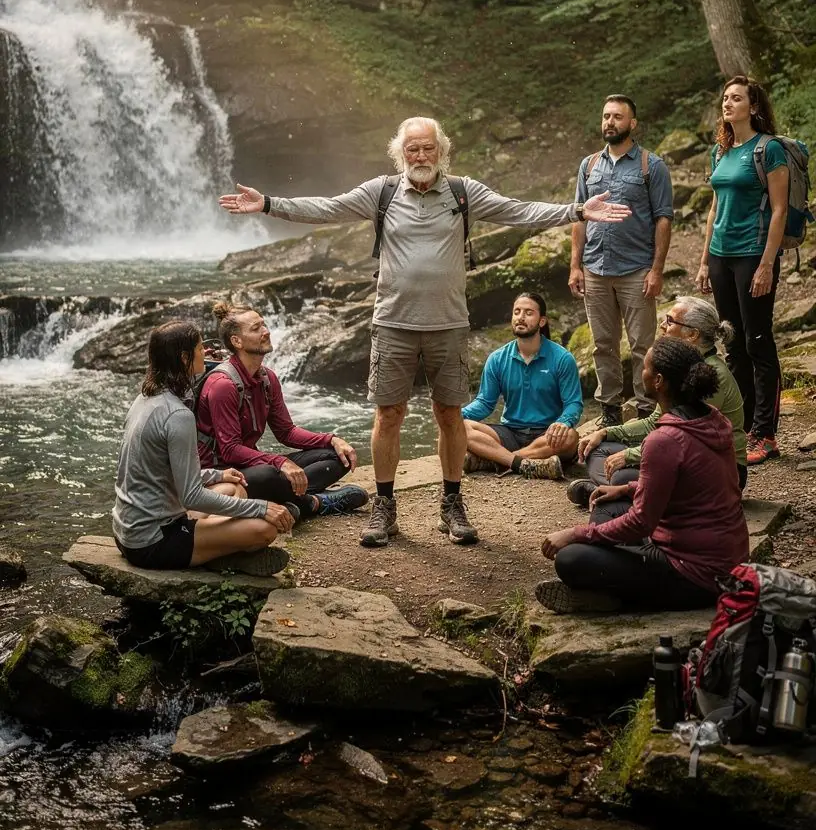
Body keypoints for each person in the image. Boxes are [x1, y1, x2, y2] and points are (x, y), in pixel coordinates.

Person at [219, 115, 630, 550]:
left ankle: (451, 503)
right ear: (400, 153)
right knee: (388, 416)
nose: (420, 155)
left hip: (448, 325)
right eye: (412, 148)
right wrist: (267, 203)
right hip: (393, 323)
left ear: (441, 151)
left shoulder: (462, 192)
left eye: (427, 148)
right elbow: (326, 208)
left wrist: (578, 210)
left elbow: (517, 210)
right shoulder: (381, 192)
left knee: (450, 415)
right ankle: (384, 505)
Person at [537, 339, 749, 614]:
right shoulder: (713, 419)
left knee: (570, 558)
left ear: (659, 380)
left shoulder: (665, 440)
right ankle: (613, 584)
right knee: (606, 501)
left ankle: (609, 598)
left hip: (697, 577)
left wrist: (577, 533)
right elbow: (693, 486)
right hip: (724, 561)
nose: (641, 373)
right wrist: (627, 488)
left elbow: (641, 523)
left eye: (645, 368)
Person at [113, 320, 294, 575]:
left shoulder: (145, 399)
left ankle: (210, 548)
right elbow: (192, 497)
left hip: (128, 530)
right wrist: (261, 507)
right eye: (201, 348)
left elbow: (162, 472)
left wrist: (217, 474)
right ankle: (215, 556)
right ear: (185, 357)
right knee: (264, 529)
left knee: (232, 487)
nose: (207, 353)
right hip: (152, 541)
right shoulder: (177, 415)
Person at [195, 303, 369, 521]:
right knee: (269, 473)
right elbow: (229, 450)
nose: (266, 331)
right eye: (256, 328)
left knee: (337, 456)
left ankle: (288, 500)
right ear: (236, 341)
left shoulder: (267, 378)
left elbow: (286, 432)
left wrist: (331, 439)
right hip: (221, 475)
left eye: (264, 325)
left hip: (249, 466)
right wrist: (279, 462)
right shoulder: (223, 385)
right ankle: (313, 503)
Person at [571, 295, 748, 502]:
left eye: (670, 321)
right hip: (674, 454)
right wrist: (606, 432)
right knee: (599, 450)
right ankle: (622, 492)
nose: (663, 326)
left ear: (692, 334)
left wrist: (628, 456)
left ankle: (620, 492)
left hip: (716, 470)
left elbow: (685, 440)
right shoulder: (678, 367)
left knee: (624, 470)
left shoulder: (711, 376)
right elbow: (652, 423)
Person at [696, 76, 789, 466]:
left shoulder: (769, 150)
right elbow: (715, 209)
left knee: (758, 341)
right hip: (721, 255)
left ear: (753, 107)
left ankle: (765, 434)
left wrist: (767, 263)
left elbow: (780, 209)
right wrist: (703, 260)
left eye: (736, 98)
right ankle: (740, 424)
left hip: (753, 255)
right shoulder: (722, 150)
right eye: (725, 98)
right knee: (732, 343)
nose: (727, 103)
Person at [569, 95, 674, 426]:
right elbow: (579, 217)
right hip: (595, 268)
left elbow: (664, 219)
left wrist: (656, 270)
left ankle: (646, 411)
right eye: (605, 116)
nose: (609, 122)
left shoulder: (650, 166)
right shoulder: (588, 166)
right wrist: (575, 265)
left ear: (632, 124)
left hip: (635, 269)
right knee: (602, 345)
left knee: (644, 346)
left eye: (617, 117)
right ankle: (610, 412)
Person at [461, 292, 583, 481]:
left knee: (571, 437)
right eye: (517, 312)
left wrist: (563, 422)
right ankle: (523, 463)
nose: (520, 317)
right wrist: (456, 415)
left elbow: (573, 403)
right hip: (510, 432)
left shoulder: (562, 358)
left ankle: (497, 460)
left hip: (546, 435)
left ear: (542, 321)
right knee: (462, 428)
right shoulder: (497, 358)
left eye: (528, 313)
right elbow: (485, 403)